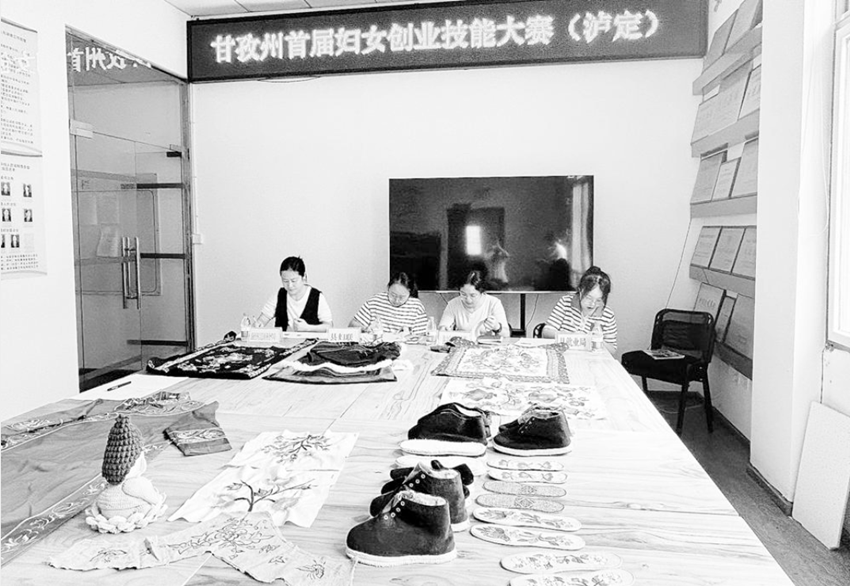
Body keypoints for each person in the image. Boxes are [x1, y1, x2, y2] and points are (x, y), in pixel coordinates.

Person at [541, 266, 617, 352]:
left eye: (598, 300)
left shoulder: (607, 314)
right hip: (564, 354)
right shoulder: (566, 302)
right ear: (580, 291)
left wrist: (598, 341)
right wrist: (569, 336)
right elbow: (546, 332)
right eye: (588, 298)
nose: (592, 304)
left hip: (591, 358)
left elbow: (612, 349)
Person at [258, 256, 332, 332]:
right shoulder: (279, 295)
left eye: (294, 281)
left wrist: (308, 328)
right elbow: (263, 319)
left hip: (311, 339)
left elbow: (329, 326)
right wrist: (259, 324)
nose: (290, 285)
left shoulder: (317, 297)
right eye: (285, 281)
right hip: (283, 339)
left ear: (304, 277)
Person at [349, 271, 429, 335]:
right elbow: (353, 325)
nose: (396, 300)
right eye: (393, 295)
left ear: (409, 293)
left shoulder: (416, 306)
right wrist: (366, 329)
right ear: (388, 289)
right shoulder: (375, 301)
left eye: (402, 297)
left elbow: (422, 336)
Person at [439, 270, 510, 338]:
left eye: (473, 295)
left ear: (483, 293)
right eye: (463, 294)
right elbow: (442, 328)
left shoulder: (494, 303)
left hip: (486, 345)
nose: (468, 300)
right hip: (462, 344)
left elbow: (506, 334)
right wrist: (443, 330)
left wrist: (497, 327)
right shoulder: (453, 304)